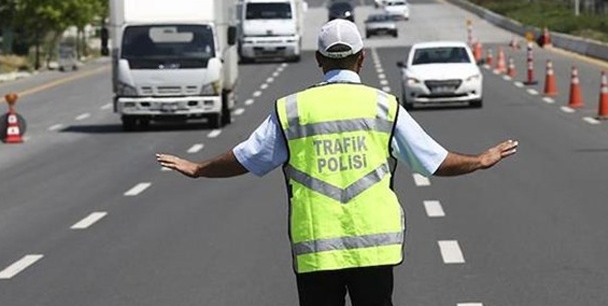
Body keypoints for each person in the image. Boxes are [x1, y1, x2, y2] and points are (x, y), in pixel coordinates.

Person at [156, 19, 519, 306]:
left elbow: (247, 157)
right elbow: (434, 162)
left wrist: (199, 168)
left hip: (317, 248)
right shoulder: (383, 106)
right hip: (375, 249)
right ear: (361, 59)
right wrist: (480, 160)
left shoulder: (293, 110)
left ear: (318, 61)